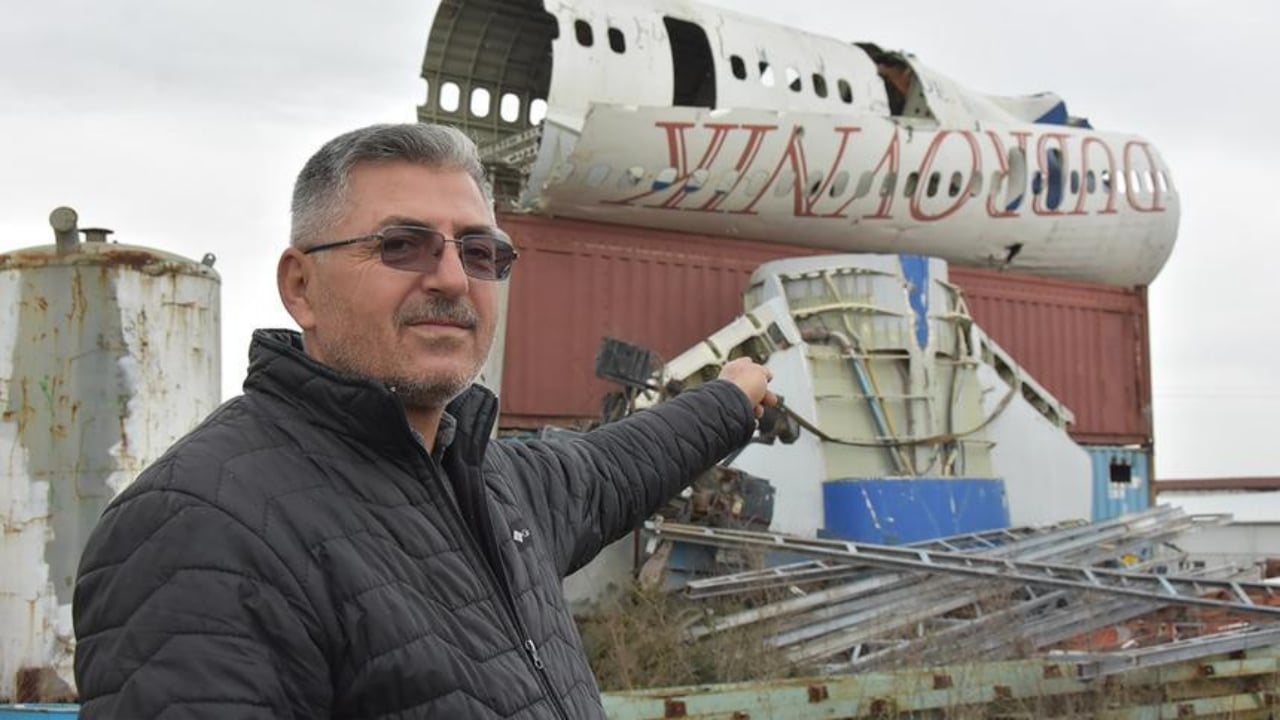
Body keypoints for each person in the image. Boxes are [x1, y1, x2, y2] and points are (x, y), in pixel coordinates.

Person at [72, 123, 776, 719]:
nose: (451, 278)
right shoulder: (201, 528)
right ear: (300, 286)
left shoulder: (489, 483)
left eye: (479, 252)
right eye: (402, 245)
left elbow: (614, 466)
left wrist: (731, 399)